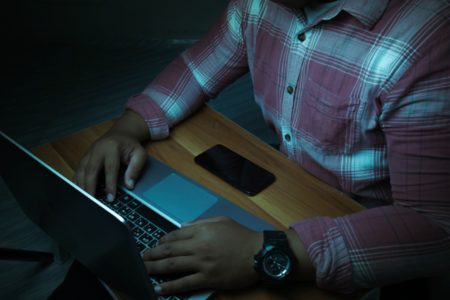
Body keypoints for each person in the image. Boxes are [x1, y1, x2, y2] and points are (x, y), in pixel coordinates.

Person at [75, 0, 450, 297]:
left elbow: (435, 228)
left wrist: (265, 252)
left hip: (360, 226)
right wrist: (126, 129)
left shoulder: (428, 39)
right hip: (283, 190)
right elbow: (195, 72)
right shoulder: (257, 4)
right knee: (112, 264)